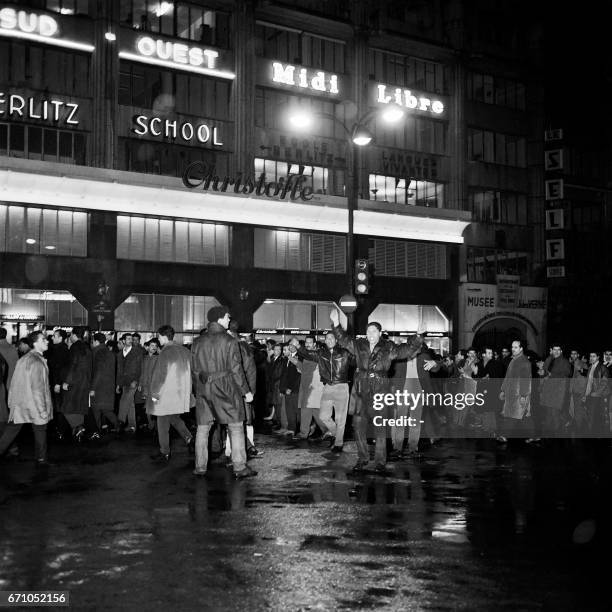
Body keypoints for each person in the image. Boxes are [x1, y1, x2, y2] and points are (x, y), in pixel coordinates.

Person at [330, 308, 423, 473]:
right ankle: (363, 458)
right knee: (358, 426)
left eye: (374, 331)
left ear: (380, 333)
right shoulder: (358, 345)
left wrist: (418, 337)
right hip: (360, 390)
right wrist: (336, 324)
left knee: (380, 428)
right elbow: (343, 339)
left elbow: (407, 350)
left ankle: (380, 461)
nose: (370, 333)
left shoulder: (389, 347)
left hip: (380, 389)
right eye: (368, 331)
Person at [191, 306, 254, 478]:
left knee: (203, 429)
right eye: (227, 317)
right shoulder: (229, 341)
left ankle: (200, 467)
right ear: (219, 318)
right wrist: (246, 391)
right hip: (226, 388)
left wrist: (198, 390)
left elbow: (194, 371)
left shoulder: (197, 342)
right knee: (235, 427)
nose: (229, 320)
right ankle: (240, 467)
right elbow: (236, 369)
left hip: (204, 389)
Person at [0, 331, 52, 465]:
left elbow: (13, 382)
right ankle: (41, 459)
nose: (47, 341)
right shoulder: (37, 362)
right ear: (35, 343)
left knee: (11, 431)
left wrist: (12, 403)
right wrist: (42, 410)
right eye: (43, 339)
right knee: (40, 430)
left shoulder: (24, 358)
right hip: (34, 404)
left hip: (20, 403)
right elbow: (38, 389)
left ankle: (41, 458)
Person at [297, 331, 351, 452]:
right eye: (327, 338)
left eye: (332, 338)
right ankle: (337, 435)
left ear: (336, 340)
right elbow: (308, 354)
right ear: (325, 341)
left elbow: (357, 361)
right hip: (327, 386)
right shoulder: (321, 353)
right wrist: (299, 346)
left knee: (340, 418)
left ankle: (338, 443)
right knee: (323, 416)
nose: (329, 340)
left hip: (341, 386)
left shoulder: (345, 352)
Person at [148, 325, 194, 462]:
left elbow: (159, 376)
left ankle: (164, 452)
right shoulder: (185, 351)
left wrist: (154, 396)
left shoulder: (165, 352)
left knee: (162, 424)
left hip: (166, 395)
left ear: (162, 336)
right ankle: (189, 438)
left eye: (159, 336)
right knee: (174, 418)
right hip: (181, 394)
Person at [228, 320, 262, 459]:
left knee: (233, 422)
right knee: (244, 420)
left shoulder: (229, 345)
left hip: (231, 389)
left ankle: (239, 450)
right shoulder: (244, 346)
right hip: (243, 388)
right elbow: (251, 370)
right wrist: (250, 391)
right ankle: (246, 447)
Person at [60, 326, 92, 442]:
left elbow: (73, 365)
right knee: (78, 407)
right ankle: (79, 429)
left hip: (74, 381)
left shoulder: (75, 347)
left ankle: (77, 427)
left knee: (66, 407)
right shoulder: (86, 347)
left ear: (73, 335)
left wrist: (67, 381)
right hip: (84, 382)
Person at [294, 336, 326, 441]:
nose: (307, 344)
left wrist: (297, 347)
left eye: (310, 343)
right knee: (307, 411)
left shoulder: (316, 354)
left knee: (316, 412)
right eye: (306, 342)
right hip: (306, 387)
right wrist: (292, 358)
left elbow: (307, 365)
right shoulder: (307, 356)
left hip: (314, 388)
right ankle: (304, 433)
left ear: (314, 345)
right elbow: (303, 369)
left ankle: (328, 431)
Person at [500, 340, 533, 439]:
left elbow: (526, 380)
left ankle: (504, 435)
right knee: (522, 415)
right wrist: (503, 390)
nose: (513, 349)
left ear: (521, 348)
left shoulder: (524, 362)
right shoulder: (514, 360)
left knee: (514, 414)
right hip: (512, 393)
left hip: (519, 394)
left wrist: (523, 395)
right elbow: (508, 377)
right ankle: (534, 436)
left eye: (516, 347)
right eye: (512, 347)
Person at [538, 344, 571, 437]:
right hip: (548, 390)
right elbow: (545, 372)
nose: (556, 352)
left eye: (558, 350)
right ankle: (548, 435)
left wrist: (551, 374)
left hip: (558, 391)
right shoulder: (549, 359)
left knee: (555, 413)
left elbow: (567, 374)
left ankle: (558, 434)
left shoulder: (565, 362)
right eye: (554, 349)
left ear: (561, 351)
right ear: (551, 350)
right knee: (548, 412)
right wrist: (542, 373)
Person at [90, 332, 118, 436]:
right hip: (109, 385)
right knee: (105, 409)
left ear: (96, 342)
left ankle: (97, 431)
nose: (92, 344)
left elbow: (98, 371)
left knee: (96, 408)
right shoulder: (110, 353)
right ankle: (117, 425)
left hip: (99, 386)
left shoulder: (97, 352)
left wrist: (93, 387)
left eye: (93, 341)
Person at [116, 333, 143, 433]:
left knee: (124, 400)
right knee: (130, 403)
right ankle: (132, 426)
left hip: (133, 381)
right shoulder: (119, 354)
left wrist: (136, 380)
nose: (130, 340)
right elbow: (119, 370)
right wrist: (118, 384)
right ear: (123, 341)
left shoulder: (137, 352)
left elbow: (141, 368)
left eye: (131, 339)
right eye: (128, 339)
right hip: (123, 382)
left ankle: (120, 421)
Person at [581, 351, 609, 436]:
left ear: (598, 357)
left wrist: (596, 393)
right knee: (591, 415)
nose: (591, 358)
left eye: (593, 356)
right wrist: (585, 395)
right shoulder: (590, 367)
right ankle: (592, 435)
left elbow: (604, 382)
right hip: (591, 395)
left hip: (600, 395)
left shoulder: (603, 367)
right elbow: (588, 383)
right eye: (590, 356)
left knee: (600, 416)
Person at [278, 343, 301, 436]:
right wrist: (282, 389)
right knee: (289, 410)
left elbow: (298, 375)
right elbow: (283, 375)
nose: (290, 348)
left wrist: (291, 388)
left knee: (297, 410)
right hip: (287, 388)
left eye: (291, 346)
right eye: (289, 346)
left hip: (295, 388)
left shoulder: (299, 357)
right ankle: (292, 429)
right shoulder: (286, 359)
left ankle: (299, 429)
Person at [138, 338, 160, 431]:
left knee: (154, 406)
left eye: (155, 346)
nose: (154, 347)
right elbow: (142, 372)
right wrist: (140, 384)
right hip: (146, 387)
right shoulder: (144, 358)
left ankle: (154, 426)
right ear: (148, 347)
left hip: (155, 388)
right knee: (148, 407)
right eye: (152, 345)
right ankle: (152, 425)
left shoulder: (158, 358)